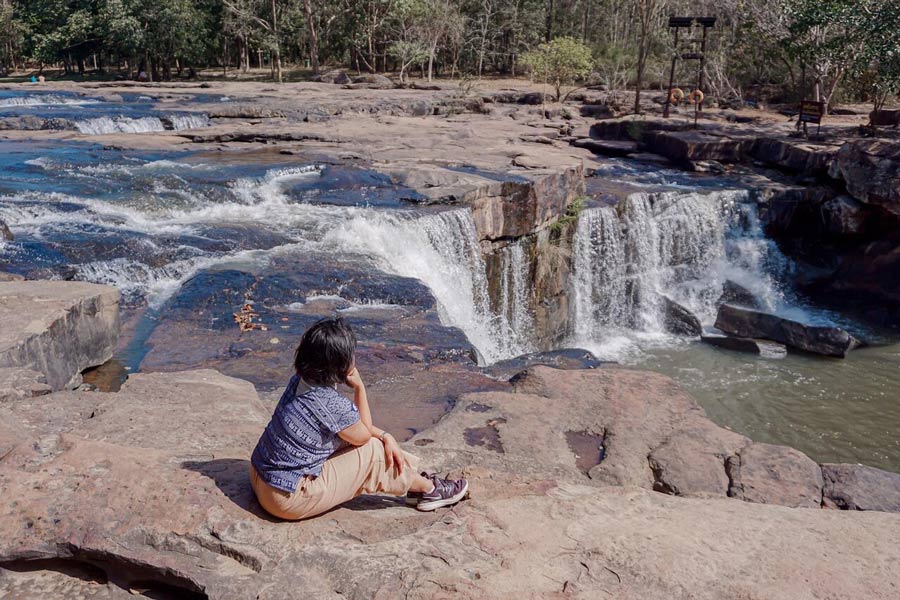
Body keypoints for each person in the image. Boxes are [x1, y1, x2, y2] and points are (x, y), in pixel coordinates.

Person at [249, 318, 468, 520]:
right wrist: (360, 388)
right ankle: (429, 490)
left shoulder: (299, 381)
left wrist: (385, 435)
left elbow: (351, 429)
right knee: (373, 452)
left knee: (371, 441)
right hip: (287, 499)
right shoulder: (330, 403)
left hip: (261, 476)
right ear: (340, 365)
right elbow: (362, 436)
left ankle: (413, 482)